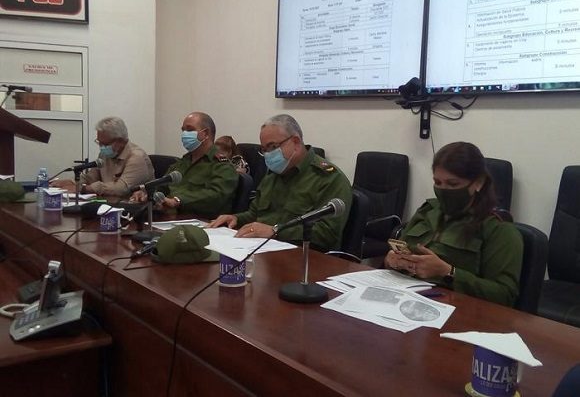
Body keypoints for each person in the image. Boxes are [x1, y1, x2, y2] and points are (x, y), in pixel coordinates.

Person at [384, 142, 523, 307]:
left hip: (458, 311)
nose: (443, 190)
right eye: (438, 182)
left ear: (478, 183)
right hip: (406, 300)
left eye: (453, 184)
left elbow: (505, 295)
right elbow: (401, 251)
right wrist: (392, 260)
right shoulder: (427, 211)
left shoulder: (499, 229)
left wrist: (449, 273)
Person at [209, 114, 352, 252]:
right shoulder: (273, 174)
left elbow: (327, 234)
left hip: (306, 258)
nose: (268, 155)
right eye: (264, 150)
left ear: (296, 142)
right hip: (262, 251)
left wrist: (275, 231)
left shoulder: (329, 178)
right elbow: (255, 214)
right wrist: (235, 218)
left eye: (272, 147)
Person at [132, 112, 238, 217]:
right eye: (183, 130)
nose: (184, 134)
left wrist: (177, 200)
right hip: (170, 218)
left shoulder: (222, 165)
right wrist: (147, 194)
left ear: (205, 134)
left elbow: (216, 196)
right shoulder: (183, 162)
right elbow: (163, 187)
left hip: (202, 222)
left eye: (189, 129)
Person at [50, 116, 154, 200]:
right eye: (99, 143)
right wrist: (70, 182)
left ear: (121, 141)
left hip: (133, 211)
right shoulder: (106, 154)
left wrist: (82, 189)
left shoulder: (136, 157)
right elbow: (91, 178)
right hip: (107, 204)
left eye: (105, 144)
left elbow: (121, 189)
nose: (102, 148)